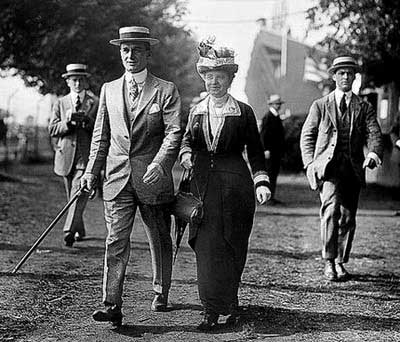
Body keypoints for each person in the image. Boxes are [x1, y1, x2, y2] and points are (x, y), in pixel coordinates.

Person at [80, 26, 182, 327]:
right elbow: (101, 137)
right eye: (125, 49)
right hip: (117, 177)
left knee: (160, 237)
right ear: (120, 52)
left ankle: (161, 291)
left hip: (153, 178)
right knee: (115, 240)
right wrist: (90, 172)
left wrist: (161, 163)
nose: (130, 54)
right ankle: (111, 304)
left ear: (148, 53)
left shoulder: (166, 90)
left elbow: (174, 131)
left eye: (137, 49)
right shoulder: (109, 90)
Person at [180, 37, 271, 331]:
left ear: (230, 79)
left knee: (233, 246)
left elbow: (255, 151)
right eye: (209, 77)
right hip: (202, 189)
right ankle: (209, 310)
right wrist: (185, 155)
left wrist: (261, 182)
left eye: (220, 77)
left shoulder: (243, 112)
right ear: (204, 79)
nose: (213, 83)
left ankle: (230, 303)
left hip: (236, 189)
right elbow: (186, 142)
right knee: (206, 248)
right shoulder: (196, 111)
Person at [300, 56, 383, 281]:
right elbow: (307, 134)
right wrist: (309, 163)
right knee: (330, 211)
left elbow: (374, 132)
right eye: (341, 73)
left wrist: (373, 153)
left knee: (348, 217)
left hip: (353, 169)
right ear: (334, 76)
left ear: (355, 77)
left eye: (349, 73)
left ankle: (340, 262)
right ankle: (328, 261)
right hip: (329, 170)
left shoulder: (364, 106)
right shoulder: (320, 105)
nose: (345, 76)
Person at [48, 63, 99, 247]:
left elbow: (101, 129)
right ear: (68, 82)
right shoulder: (60, 103)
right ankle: (80, 228)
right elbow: (52, 129)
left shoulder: (95, 102)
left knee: (78, 192)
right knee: (72, 196)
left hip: (85, 158)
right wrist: (67, 123)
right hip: (65, 155)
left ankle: (68, 231)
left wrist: (87, 121)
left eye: (81, 80)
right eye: (74, 80)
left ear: (85, 82)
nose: (77, 83)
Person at [259, 94, 286, 204]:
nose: (278, 106)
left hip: (275, 151)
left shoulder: (275, 116)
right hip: (270, 152)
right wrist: (265, 149)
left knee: (273, 174)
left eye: (279, 104)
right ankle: (267, 198)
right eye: (277, 104)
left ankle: (271, 197)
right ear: (271, 104)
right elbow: (264, 135)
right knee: (270, 174)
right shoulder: (268, 117)